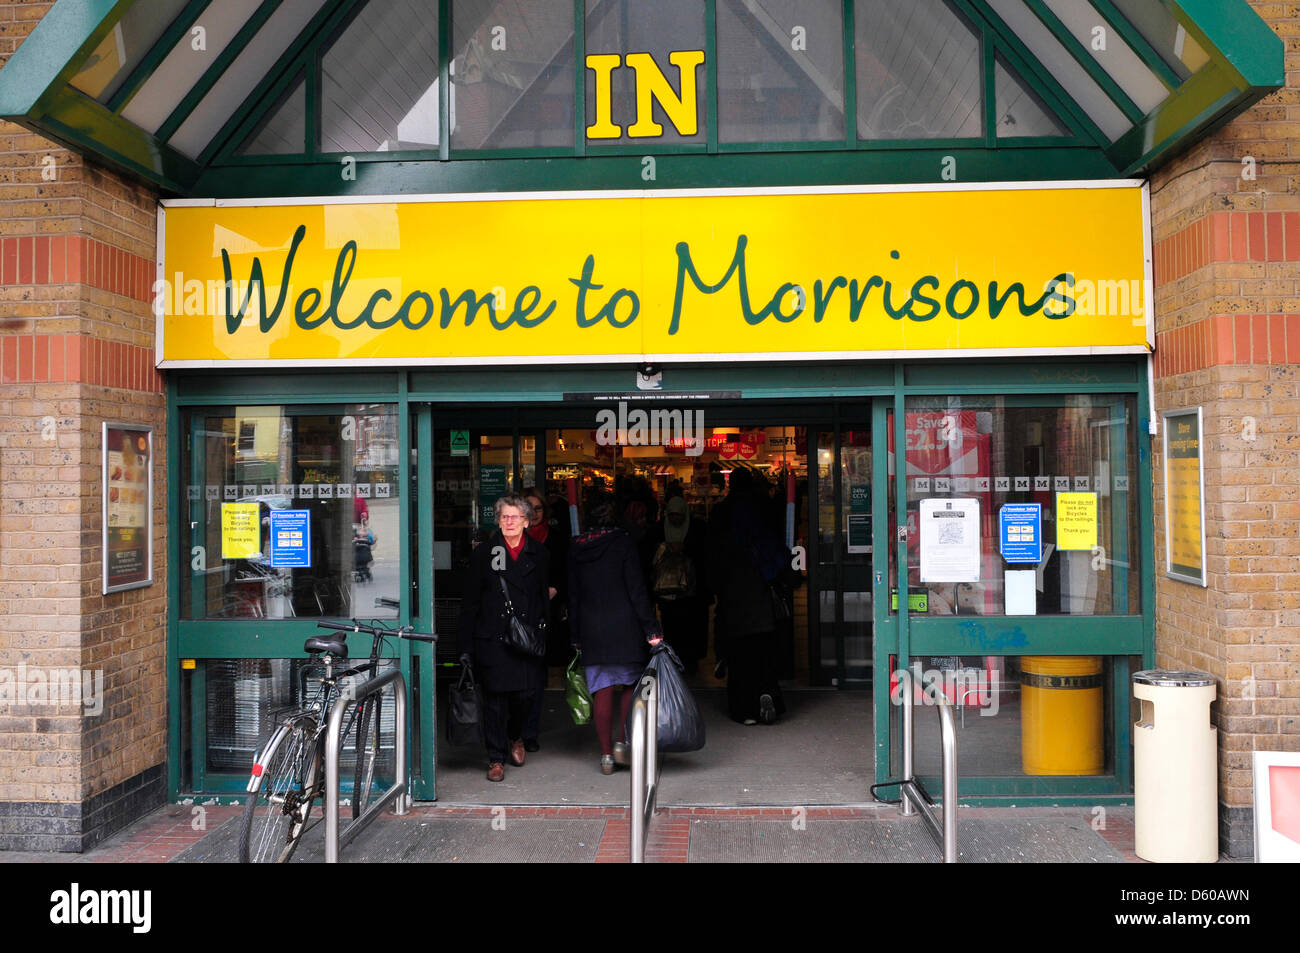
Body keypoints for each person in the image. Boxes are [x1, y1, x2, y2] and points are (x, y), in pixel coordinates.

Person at [568, 492, 662, 774]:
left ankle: (606, 755)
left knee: (602, 689)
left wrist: (575, 634)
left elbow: (573, 596)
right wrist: (651, 628)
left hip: (592, 626)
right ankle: (623, 743)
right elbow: (636, 589)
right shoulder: (624, 543)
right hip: (625, 624)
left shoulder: (576, 548)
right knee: (630, 687)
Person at [459, 495, 550, 782]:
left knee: (525, 696)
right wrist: (465, 645)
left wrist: (543, 635)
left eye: (514, 517)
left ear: (527, 521)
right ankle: (496, 758)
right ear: (498, 521)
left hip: (525, 639)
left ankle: (516, 736)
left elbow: (542, 600)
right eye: (504, 517)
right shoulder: (484, 553)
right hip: (493, 638)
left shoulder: (539, 553)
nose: (509, 522)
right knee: (495, 701)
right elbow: (470, 602)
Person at [707, 468, 787, 725]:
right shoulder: (762, 508)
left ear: (731, 484)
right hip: (761, 587)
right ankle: (766, 692)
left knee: (739, 656)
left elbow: (713, 553)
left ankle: (744, 709)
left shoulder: (722, 512)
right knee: (763, 651)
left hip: (733, 591)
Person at [519, 487, 568, 752]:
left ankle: (529, 732)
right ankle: (515, 729)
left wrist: (555, 589)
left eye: (538, 508)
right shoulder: (510, 539)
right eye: (529, 508)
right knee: (516, 675)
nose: (534, 513)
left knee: (537, 675)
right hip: (515, 617)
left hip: (543, 616)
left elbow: (566, 573)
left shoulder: (557, 539)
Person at [646, 495, 710, 672]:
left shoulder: (697, 530)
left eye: (678, 515)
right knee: (672, 626)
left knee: (689, 627)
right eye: (672, 515)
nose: (675, 519)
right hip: (669, 593)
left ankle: (689, 659)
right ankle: (675, 658)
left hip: (690, 592)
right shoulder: (659, 531)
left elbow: (704, 554)